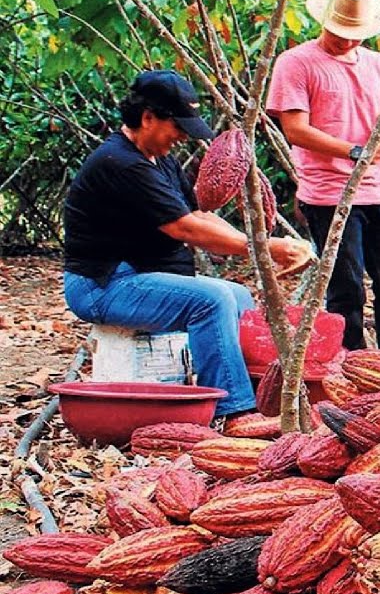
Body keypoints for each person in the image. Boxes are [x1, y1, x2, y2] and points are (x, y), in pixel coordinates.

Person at [62, 70, 314, 419]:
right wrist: (266, 248)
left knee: (238, 297)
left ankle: (264, 395)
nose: (181, 137)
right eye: (177, 127)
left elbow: (198, 215)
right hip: (102, 285)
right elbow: (186, 229)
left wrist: (264, 245)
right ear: (148, 118)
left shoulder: (159, 159)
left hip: (138, 276)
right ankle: (235, 412)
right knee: (211, 301)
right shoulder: (120, 163)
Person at [266, 0, 380, 351]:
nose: (346, 41)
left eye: (355, 34)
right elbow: (296, 129)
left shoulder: (379, 64)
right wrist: (354, 151)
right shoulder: (296, 62)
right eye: (340, 32)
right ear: (325, 20)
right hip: (328, 191)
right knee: (346, 289)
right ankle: (350, 366)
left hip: (379, 189)